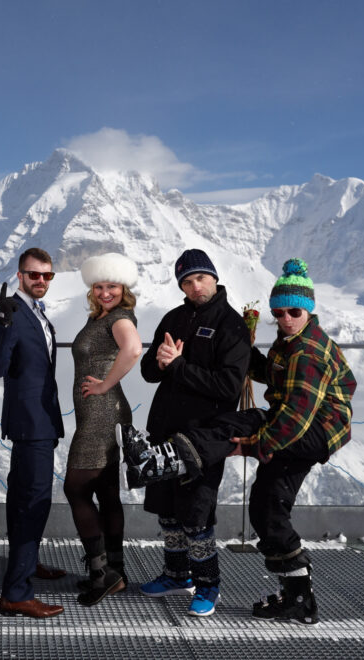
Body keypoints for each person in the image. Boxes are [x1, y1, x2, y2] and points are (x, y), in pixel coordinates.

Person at [119, 249, 250, 617]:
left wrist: (177, 367)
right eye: (187, 281)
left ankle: (208, 585)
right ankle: (177, 574)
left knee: (196, 513)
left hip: (205, 436)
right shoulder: (174, 318)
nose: (195, 287)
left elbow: (228, 387)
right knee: (167, 512)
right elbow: (148, 370)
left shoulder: (231, 325)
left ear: (214, 278)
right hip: (165, 429)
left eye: (201, 278)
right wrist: (161, 362)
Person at [238, 258, 356, 625]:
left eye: (293, 311)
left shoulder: (307, 352)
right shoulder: (290, 341)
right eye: (278, 313)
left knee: (269, 508)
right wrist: (242, 350)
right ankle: (297, 596)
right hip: (302, 429)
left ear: (308, 310)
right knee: (265, 506)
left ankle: (301, 600)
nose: (285, 318)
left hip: (313, 431)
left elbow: (297, 416)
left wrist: (257, 444)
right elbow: (273, 377)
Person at [0, 248, 66, 619]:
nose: (41, 281)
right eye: (34, 275)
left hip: (39, 422)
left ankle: (26, 565)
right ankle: (16, 592)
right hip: (31, 424)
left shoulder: (37, 313)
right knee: (33, 503)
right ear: (20, 276)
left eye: (47, 276)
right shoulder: (12, 314)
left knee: (23, 498)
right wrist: (1, 325)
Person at [65, 253, 143, 606]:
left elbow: (134, 349)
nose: (105, 292)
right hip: (102, 412)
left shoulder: (120, 317)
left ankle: (101, 573)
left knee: (76, 488)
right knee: (107, 491)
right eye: (99, 286)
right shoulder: (103, 316)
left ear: (123, 288)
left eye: (111, 286)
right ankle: (116, 571)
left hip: (101, 412)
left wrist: (103, 385)